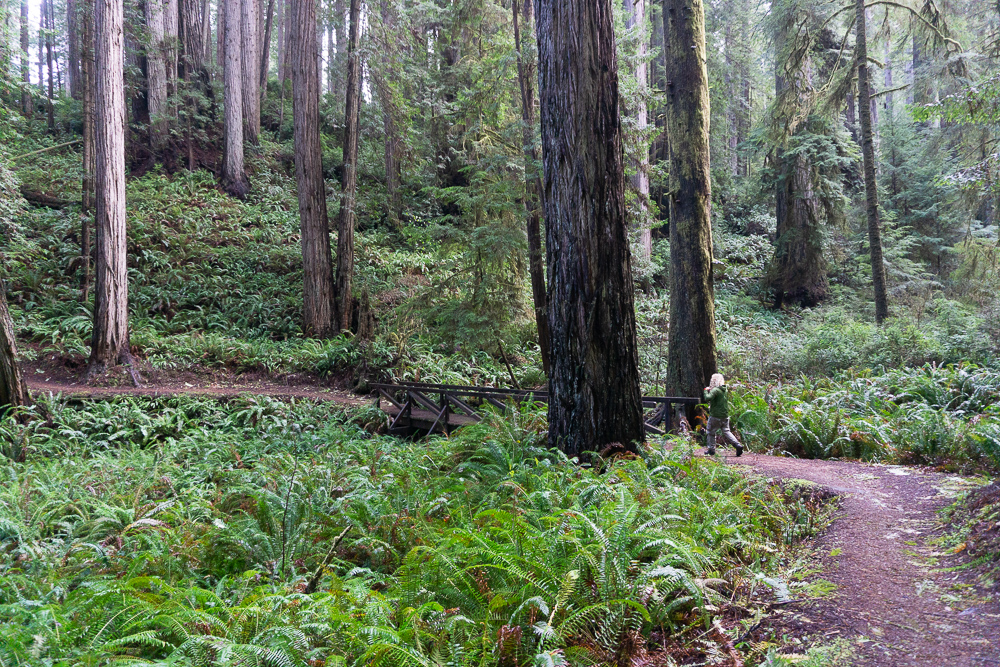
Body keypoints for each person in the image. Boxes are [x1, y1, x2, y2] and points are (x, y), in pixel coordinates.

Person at [703, 373, 742, 456]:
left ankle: (711, 450)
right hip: (725, 416)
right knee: (726, 431)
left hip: (715, 415)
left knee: (710, 431)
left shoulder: (715, 390)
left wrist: (706, 391)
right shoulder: (725, 390)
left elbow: (707, 398)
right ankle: (737, 445)